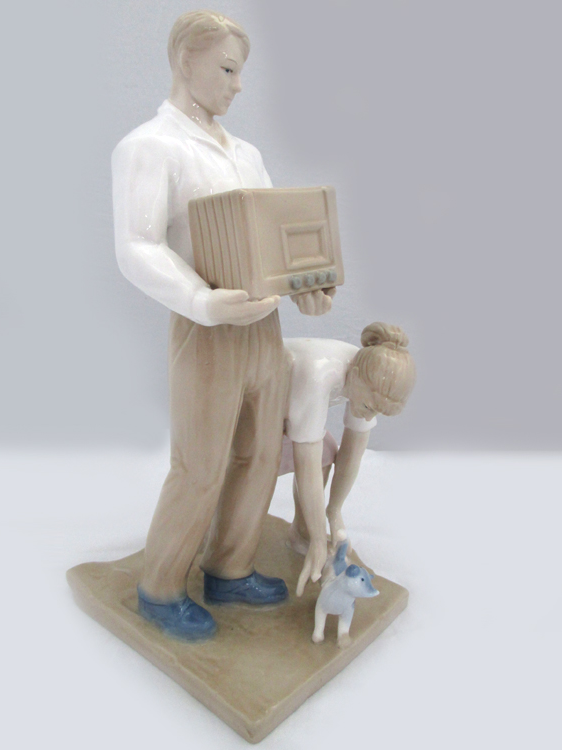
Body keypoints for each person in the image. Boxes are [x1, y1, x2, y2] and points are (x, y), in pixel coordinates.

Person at [111, 11, 334, 640]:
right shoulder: (149, 147)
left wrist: (306, 289)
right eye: (228, 70)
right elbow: (137, 246)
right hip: (206, 330)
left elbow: (273, 237)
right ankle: (160, 586)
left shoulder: (247, 154)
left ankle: (230, 567)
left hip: (264, 328)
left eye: (241, 72)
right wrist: (201, 302)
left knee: (260, 451)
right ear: (187, 61)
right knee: (200, 464)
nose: (238, 86)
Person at [279, 323, 416, 597]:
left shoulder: (366, 382)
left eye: (377, 412)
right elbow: (306, 460)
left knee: (326, 452)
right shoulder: (320, 374)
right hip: (255, 407)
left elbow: (354, 448)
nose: (369, 415)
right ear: (353, 375)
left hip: (286, 413)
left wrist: (334, 511)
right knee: (255, 471)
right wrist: (321, 539)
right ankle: (226, 541)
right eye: (368, 407)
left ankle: (302, 532)